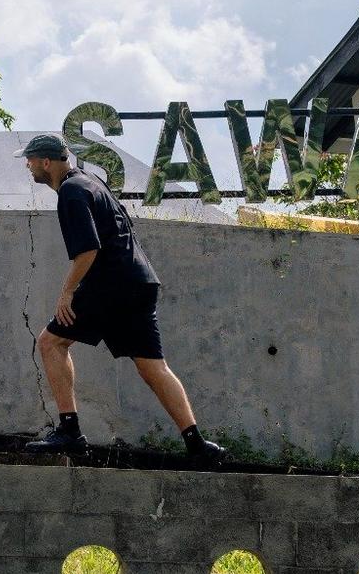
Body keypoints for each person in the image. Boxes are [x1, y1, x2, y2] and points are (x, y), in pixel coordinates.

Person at [21, 133, 227, 468]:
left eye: (29, 160)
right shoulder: (91, 182)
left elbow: (88, 250)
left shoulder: (72, 193)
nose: (27, 166)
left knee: (51, 343)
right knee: (152, 366)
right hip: (139, 282)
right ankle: (198, 445)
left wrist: (67, 292)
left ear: (46, 162)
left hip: (111, 284)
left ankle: (70, 431)